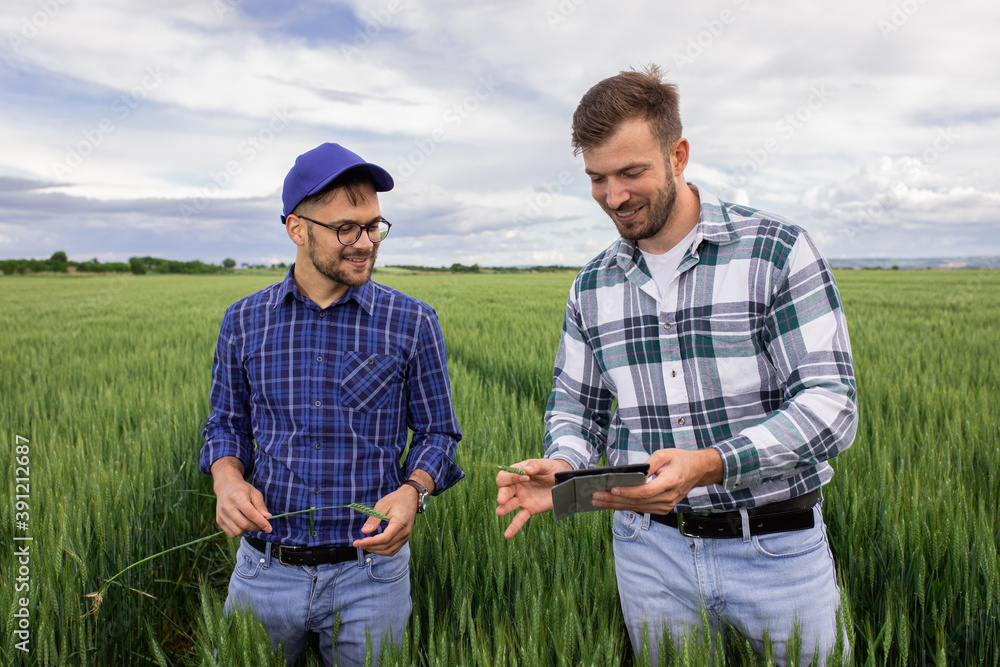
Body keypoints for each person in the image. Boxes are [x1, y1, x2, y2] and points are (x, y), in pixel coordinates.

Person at [496, 65, 857, 666]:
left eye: (631, 172)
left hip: (776, 550)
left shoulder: (776, 251)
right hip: (648, 555)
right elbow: (574, 410)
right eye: (597, 179)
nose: (614, 197)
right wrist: (564, 470)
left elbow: (831, 406)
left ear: (678, 154)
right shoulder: (591, 285)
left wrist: (711, 465)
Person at [201, 142, 463, 667]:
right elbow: (225, 425)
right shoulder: (244, 321)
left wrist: (413, 491)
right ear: (298, 228)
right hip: (265, 571)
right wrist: (227, 480)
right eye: (347, 228)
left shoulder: (412, 321)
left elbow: (439, 434)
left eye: (374, 226)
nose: (365, 242)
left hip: (371, 576)